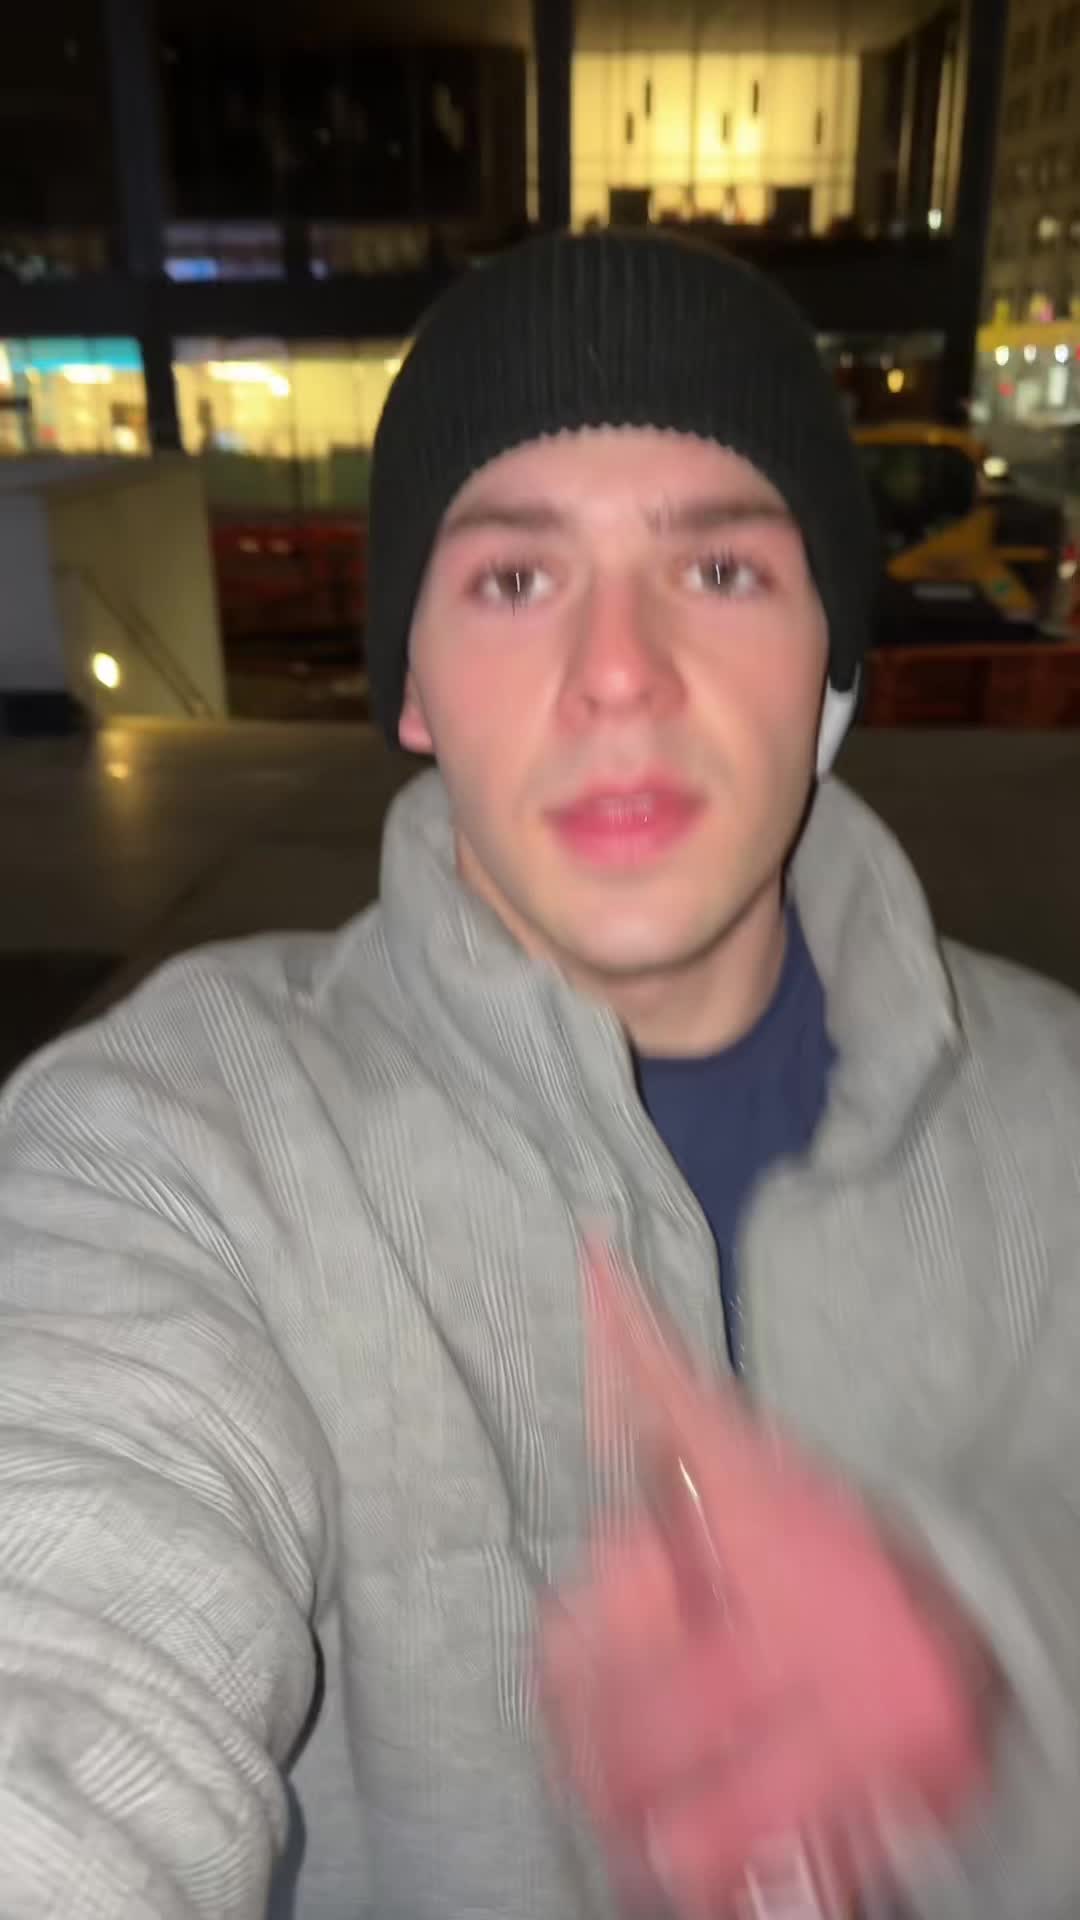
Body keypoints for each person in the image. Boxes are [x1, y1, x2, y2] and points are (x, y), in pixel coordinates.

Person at [1, 229, 1079, 1920]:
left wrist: (995, 1650)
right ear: (412, 687)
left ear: (833, 661)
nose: (620, 671)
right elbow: (61, 1660)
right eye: (514, 580)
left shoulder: (1061, 1121)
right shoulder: (172, 1140)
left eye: (719, 569)